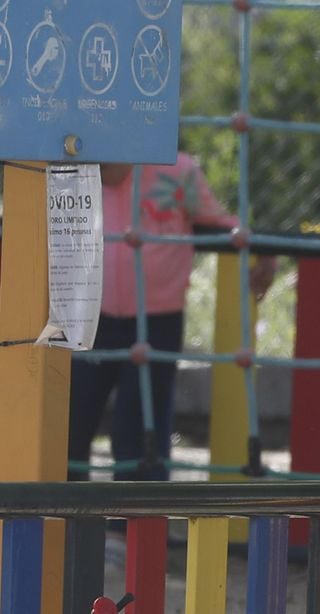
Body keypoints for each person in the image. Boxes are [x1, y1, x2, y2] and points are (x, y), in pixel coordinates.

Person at [67, 153, 276, 482]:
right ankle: (66, 524)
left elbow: (215, 219)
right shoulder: (71, 169)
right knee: (70, 423)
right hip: (88, 316)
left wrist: (257, 244)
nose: (100, 163)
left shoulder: (175, 171)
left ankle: (133, 528)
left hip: (157, 319)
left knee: (139, 427)